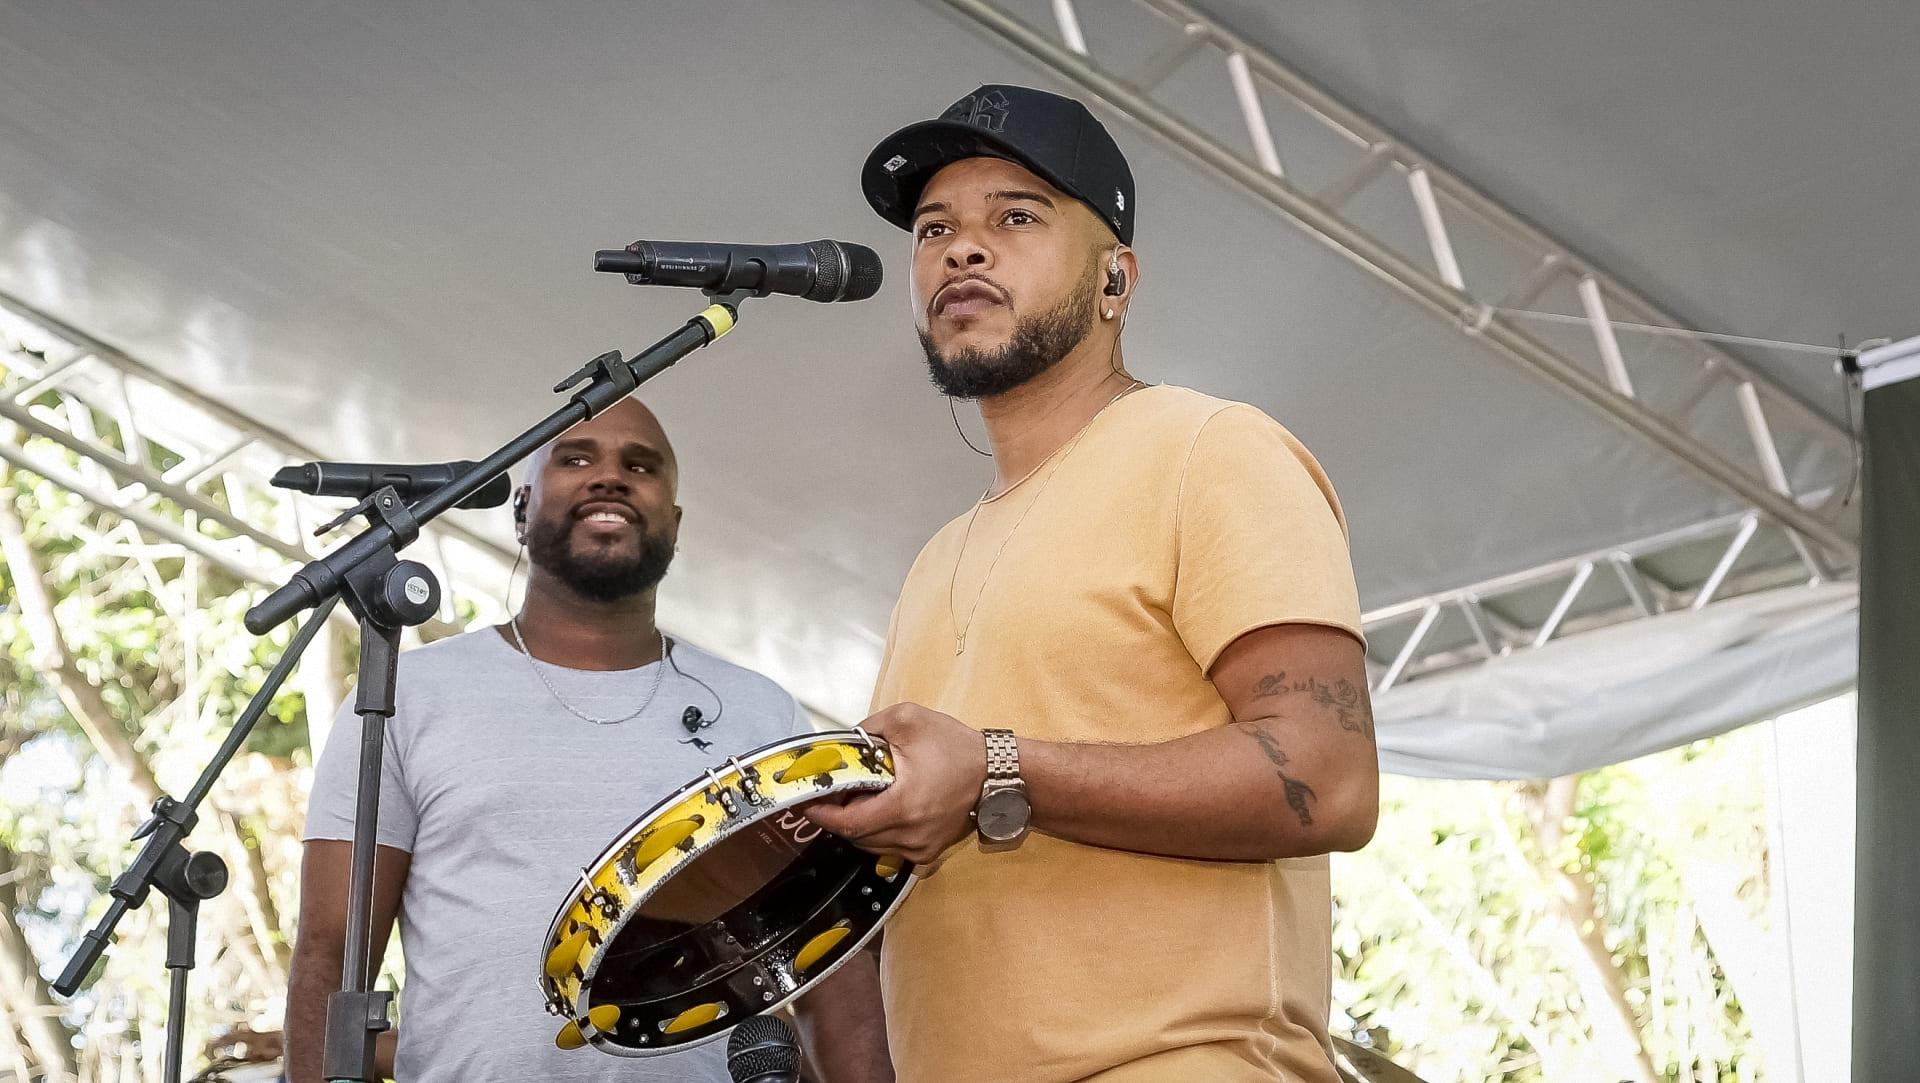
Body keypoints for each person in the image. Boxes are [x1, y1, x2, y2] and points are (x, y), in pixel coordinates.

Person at [803, 85, 1380, 1082]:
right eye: (935, 229)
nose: (962, 249)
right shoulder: (934, 561)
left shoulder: (1210, 449)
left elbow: (1329, 778)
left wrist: (995, 768)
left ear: (1117, 277)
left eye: (1015, 218)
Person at [286, 399, 890, 1083]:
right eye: (575, 459)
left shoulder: (761, 711)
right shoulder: (404, 696)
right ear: (522, 509)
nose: (610, 477)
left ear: (675, 524)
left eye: (641, 466)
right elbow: (329, 954)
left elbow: (834, 965)